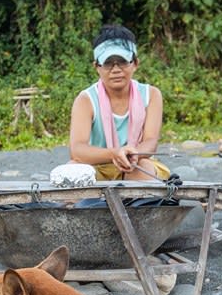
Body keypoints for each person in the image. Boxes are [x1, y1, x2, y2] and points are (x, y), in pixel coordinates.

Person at [68, 24, 170, 181]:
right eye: (108, 63)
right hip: (99, 166)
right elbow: (77, 150)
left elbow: (150, 141)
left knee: (142, 170)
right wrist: (114, 154)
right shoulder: (86, 100)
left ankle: (140, 203)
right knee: (72, 171)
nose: (116, 69)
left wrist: (133, 154)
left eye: (122, 62)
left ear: (135, 63)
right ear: (97, 67)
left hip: (136, 162)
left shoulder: (151, 95)